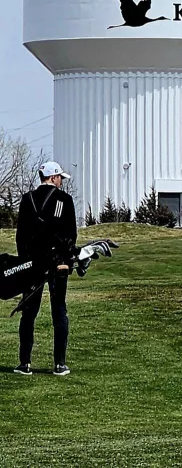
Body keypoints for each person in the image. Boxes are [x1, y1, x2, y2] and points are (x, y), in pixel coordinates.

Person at [14, 161, 78, 377]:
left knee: (29, 313)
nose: (61, 181)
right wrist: (67, 259)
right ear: (53, 177)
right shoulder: (63, 200)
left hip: (32, 264)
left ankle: (25, 364)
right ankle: (59, 364)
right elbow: (70, 234)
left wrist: (25, 262)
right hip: (57, 263)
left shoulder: (27, 199)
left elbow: (20, 236)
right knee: (59, 311)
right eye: (60, 177)